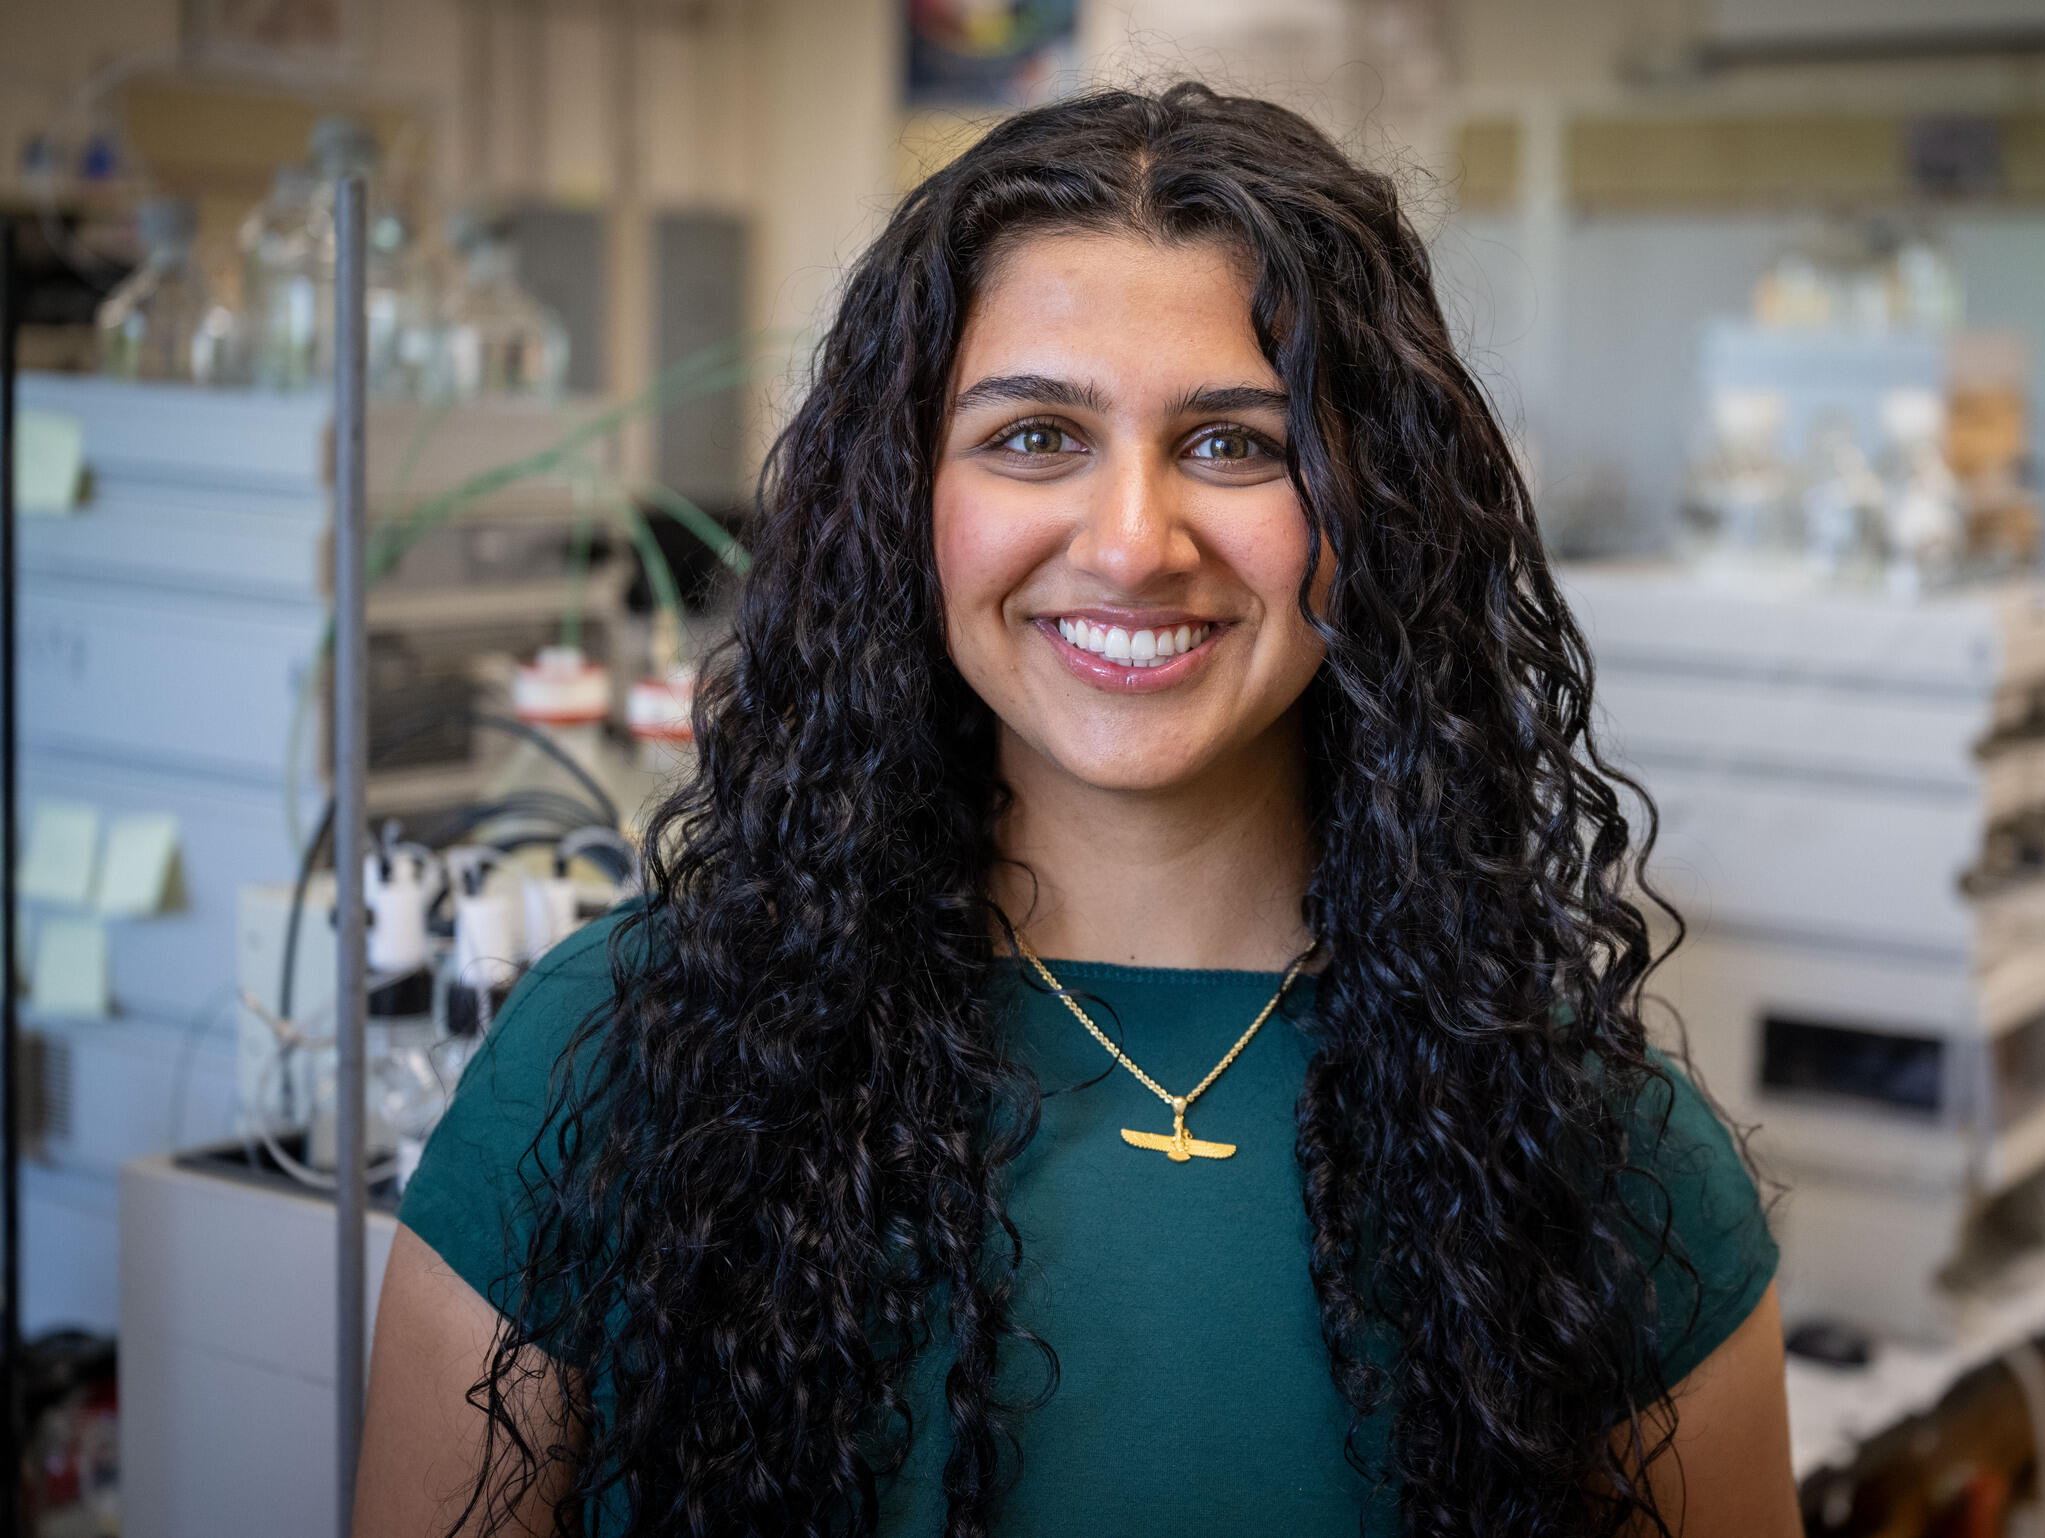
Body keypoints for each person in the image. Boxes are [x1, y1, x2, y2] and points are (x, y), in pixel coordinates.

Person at [355, 83, 1798, 1538]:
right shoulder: (612, 1068)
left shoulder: (1598, 1160)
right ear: (905, 501)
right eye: (1035, 436)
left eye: (1236, 443)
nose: (1129, 543)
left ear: (1376, 509)